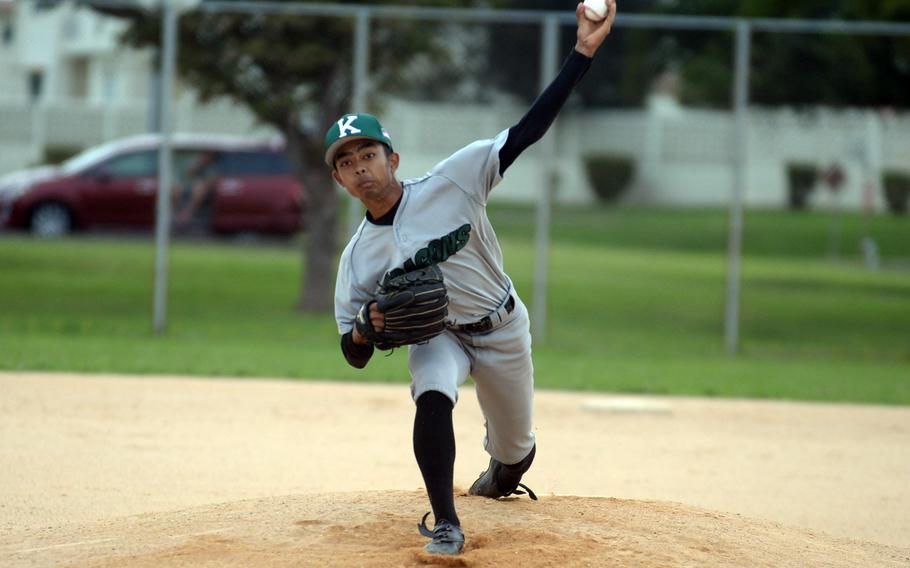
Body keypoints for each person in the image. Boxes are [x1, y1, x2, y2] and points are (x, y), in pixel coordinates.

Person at [328, 2, 617, 556]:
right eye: (346, 162)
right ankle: (445, 521)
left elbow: (529, 130)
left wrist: (582, 53)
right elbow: (353, 352)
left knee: (515, 450)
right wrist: (365, 329)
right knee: (431, 393)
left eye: (368, 153)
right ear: (339, 180)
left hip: (503, 325)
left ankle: (504, 470)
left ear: (393, 158)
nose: (360, 165)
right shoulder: (358, 259)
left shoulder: (454, 180)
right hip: (441, 333)